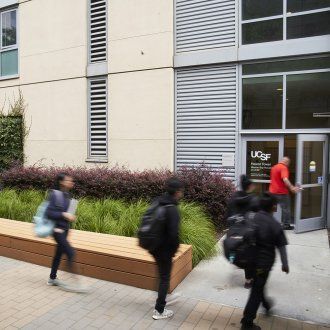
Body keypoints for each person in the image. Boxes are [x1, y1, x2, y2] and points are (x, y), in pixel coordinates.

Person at [241, 192, 289, 330]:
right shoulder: (275, 224)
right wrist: (285, 264)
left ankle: (266, 305)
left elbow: (245, 236)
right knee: (256, 291)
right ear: (274, 207)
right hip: (263, 264)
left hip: (250, 262)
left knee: (258, 285)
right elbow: (281, 246)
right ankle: (247, 322)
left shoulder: (253, 218)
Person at [151, 177, 183, 320]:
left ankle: (162, 298)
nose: (181, 193)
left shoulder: (158, 202)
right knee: (165, 278)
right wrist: (174, 250)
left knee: (162, 275)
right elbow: (173, 235)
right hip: (164, 249)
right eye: (181, 191)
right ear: (176, 192)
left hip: (154, 246)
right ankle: (159, 310)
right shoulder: (173, 209)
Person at [226, 175, 259, 289]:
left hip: (234, 230)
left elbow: (228, 215)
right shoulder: (253, 199)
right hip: (247, 232)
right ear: (250, 186)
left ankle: (234, 260)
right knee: (250, 254)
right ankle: (248, 281)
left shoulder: (233, 197)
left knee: (236, 249)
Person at [46, 173, 78, 289]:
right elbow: (48, 213)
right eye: (68, 180)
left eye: (71, 180)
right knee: (70, 252)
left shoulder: (67, 195)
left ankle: (52, 278)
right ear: (61, 182)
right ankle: (74, 282)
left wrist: (70, 216)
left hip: (65, 230)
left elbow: (66, 214)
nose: (71, 182)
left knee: (58, 254)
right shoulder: (55, 194)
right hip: (57, 231)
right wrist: (64, 214)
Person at [269, 157, 300, 230]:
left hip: (272, 192)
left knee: (270, 208)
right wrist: (292, 187)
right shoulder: (284, 167)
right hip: (281, 192)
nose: (288, 165)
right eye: (289, 163)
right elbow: (285, 179)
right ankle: (286, 225)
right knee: (286, 209)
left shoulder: (274, 167)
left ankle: (268, 222)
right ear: (287, 162)